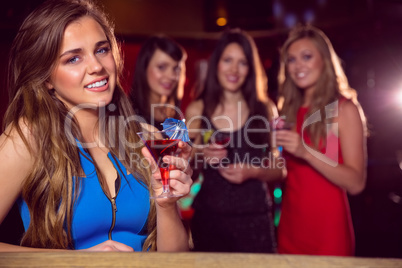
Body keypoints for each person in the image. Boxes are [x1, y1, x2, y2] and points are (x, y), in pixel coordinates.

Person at [0, 0, 193, 252]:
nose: (96, 67)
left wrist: (167, 204)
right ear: (46, 78)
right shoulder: (28, 137)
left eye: (101, 50)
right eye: (73, 59)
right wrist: (75, 262)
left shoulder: (145, 137)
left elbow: (175, 259)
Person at [185, 28, 285, 253]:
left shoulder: (265, 109)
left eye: (242, 62)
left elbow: (280, 168)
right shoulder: (198, 108)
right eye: (228, 60)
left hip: (255, 219)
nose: (234, 69)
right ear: (216, 64)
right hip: (210, 220)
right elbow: (183, 162)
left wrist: (255, 172)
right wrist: (201, 153)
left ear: (250, 69)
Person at [275, 25, 368, 256]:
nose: (298, 66)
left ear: (324, 61)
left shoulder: (344, 109)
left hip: (327, 230)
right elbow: (284, 171)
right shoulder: (286, 109)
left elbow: (356, 183)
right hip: (290, 226)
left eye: (307, 57)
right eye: (292, 59)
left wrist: (305, 151)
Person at [129, 35, 187, 130]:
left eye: (176, 68)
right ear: (144, 68)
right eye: (161, 67)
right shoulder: (128, 113)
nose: (171, 76)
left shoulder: (175, 114)